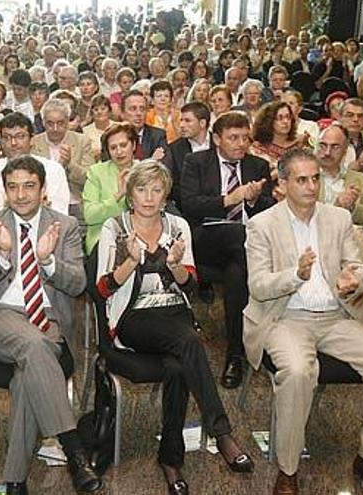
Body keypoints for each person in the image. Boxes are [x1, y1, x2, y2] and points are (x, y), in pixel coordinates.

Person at [243, 149, 363, 495]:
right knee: (299, 372)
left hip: (335, 317)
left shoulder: (337, 218)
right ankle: (288, 468)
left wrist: (355, 279)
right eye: (301, 180)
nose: (311, 186)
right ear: (284, 183)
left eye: (316, 178)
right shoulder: (262, 225)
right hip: (285, 318)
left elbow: (359, 266)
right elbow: (258, 286)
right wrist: (296, 274)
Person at [94, 161, 254, 493]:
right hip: (133, 318)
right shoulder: (115, 227)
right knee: (190, 342)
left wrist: (176, 266)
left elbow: (191, 285)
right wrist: (129, 262)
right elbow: (102, 289)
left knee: (179, 366)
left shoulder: (178, 225)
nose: (149, 197)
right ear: (130, 193)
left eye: (156, 190)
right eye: (141, 189)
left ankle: (171, 461)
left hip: (174, 313)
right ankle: (221, 432)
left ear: (166, 194)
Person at [0, 155, 102, 495]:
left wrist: (47, 261)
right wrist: (1, 253)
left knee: (28, 373)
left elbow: (76, 285)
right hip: (0, 316)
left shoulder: (65, 226)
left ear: (43, 191)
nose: (21, 194)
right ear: (5, 191)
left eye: (29, 186)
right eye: (13, 187)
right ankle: (73, 449)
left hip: (47, 319)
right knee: (34, 345)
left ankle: (15, 481)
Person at [179, 111, 275, 388]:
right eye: (234, 138)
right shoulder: (196, 162)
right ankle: (263, 331)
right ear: (217, 138)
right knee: (244, 238)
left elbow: (269, 209)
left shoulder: (257, 165)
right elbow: (190, 205)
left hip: (243, 248)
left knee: (236, 273)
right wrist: (229, 199)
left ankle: (236, 353)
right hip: (207, 238)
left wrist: (255, 201)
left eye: (246, 138)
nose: (241, 144)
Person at [0, 112, 70, 220]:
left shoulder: (53, 170)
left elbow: (60, 215)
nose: (13, 143)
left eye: (20, 136)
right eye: (7, 137)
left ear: (32, 139)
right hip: (0, 233)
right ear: (0, 141)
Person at [30, 98, 93, 220]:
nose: (55, 128)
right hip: (42, 204)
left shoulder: (82, 141)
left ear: (67, 122)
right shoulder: (34, 143)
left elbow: (89, 178)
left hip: (74, 203)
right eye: (50, 123)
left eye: (60, 123)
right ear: (43, 123)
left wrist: (69, 164)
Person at [83, 123, 139, 257]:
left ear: (134, 145)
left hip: (141, 237)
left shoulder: (144, 170)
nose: (119, 151)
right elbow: (89, 216)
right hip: (104, 239)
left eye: (123, 145)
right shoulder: (96, 172)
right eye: (113, 148)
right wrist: (118, 196)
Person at [168, 102, 213, 208]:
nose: (182, 125)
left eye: (187, 121)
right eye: (181, 120)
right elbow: (173, 185)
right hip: (187, 209)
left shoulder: (220, 144)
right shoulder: (174, 149)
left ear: (202, 123)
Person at [249, 101, 306, 177]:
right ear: (268, 121)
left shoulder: (301, 143)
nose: (285, 122)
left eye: (288, 117)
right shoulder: (257, 148)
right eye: (280, 118)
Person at [81, 95, 117, 160]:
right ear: (92, 113)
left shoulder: (118, 127)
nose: (99, 112)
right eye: (96, 109)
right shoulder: (84, 131)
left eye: (103, 109)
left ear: (109, 111)